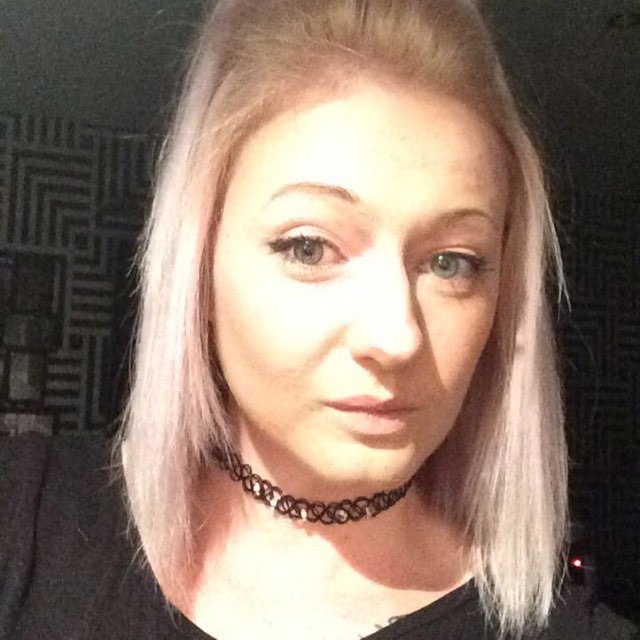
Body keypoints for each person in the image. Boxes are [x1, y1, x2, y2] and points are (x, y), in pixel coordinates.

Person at [0, 1, 638, 639]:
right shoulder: (25, 518)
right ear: (200, 263)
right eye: (309, 248)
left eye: (451, 263)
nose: (395, 338)